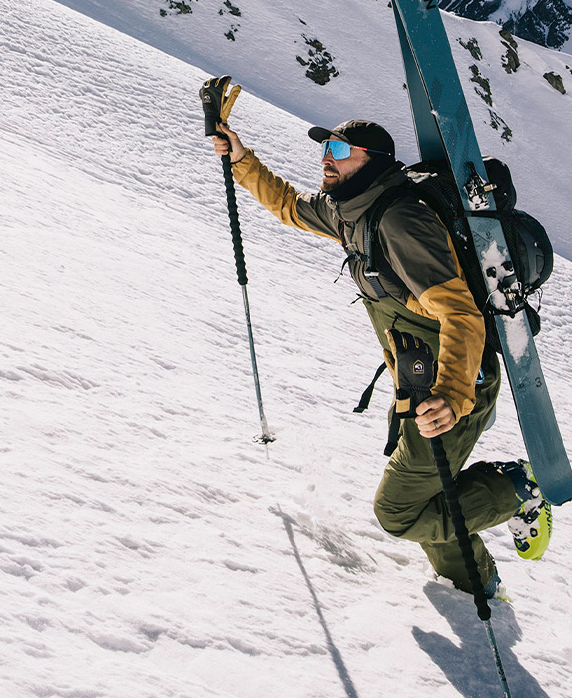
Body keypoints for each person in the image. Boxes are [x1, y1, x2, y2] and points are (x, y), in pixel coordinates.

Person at [210, 117, 550, 596]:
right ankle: (475, 584)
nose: (327, 156)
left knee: (399, 512)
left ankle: (517, 489)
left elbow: (461, 313)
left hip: (455, 385)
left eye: (341, 149)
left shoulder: (400, 221)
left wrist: (452, 397)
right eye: (326, 146)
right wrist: (241, 159)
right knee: (424, 495)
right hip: (416, 380)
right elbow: (287, 204)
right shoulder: (349, 210)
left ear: (374, 161)